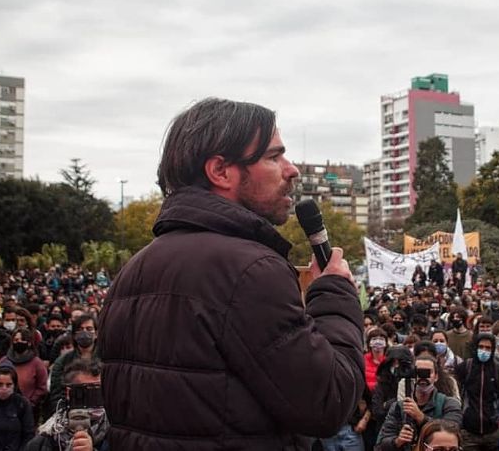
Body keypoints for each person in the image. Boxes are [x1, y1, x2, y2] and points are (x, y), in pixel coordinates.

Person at [98, 98, 365, 449]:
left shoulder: (132, 271)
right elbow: (327, 403)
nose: (292, 169)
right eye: (273, 157)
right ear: (221, 171)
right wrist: (335, 295)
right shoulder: (250, 271)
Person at [376, 355, 462, 451]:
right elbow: (380, 444)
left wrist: (421, 417)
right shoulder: (398, 406)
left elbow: (452, 433)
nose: (423, 377)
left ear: (436, 377)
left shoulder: (449, 404)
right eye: (419, 372)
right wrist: (397, 441)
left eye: (427, 372)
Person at [26, 359, 109, 451]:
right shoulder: (47, 436)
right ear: (69, 392)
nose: (96, 397)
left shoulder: (117, 434)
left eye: (100, 390)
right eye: (89, 391)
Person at [454, 332, 499, 451]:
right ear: (475, 347)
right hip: (468, 432)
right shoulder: (465, 367)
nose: (484, 350)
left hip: (492, 432)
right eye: (481, 347)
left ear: (493, 350)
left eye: (488, 348)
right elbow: (455, 393)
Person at [48, 314, 97, 415]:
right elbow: (57, 395)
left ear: (96, 333)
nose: (85, 332)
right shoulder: (62, 361)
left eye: (89, 329)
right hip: (72, 413)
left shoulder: (106, 359)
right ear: (74, 335)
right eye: (80, 329)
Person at [0, 328, 48, 423]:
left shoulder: (37, 363)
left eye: (22, 340)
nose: (19, 342)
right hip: (5, 408)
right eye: (16, 340)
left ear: (29, 343)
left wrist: (30, 402)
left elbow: (42, 387)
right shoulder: (4, 361)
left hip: (29, 410)